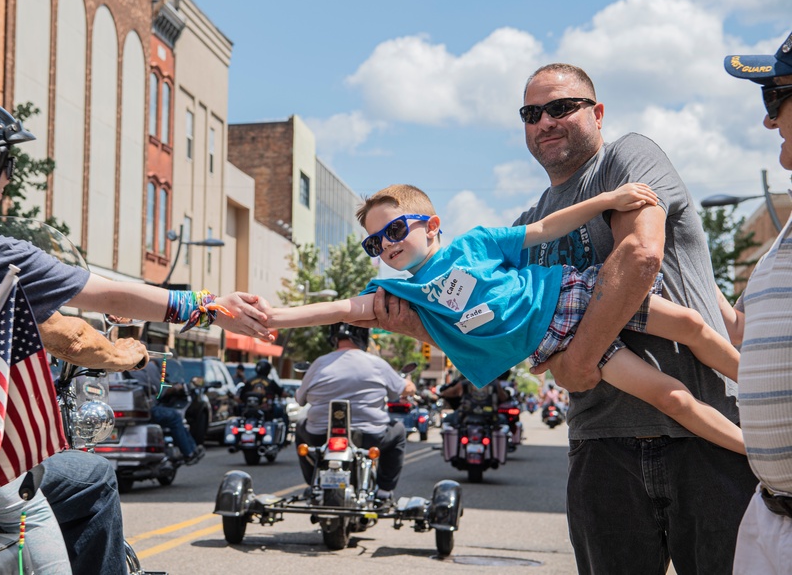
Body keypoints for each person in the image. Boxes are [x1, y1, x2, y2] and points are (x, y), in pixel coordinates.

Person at [370, 64, 757, 573]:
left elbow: (640, 254)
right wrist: (410, 320)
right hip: (601, 448)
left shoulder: (626, 158)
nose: (545, 121)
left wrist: (579, 359)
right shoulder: (526, 227)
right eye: (532, 113)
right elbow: (491, 322)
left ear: (597, 113)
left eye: (560, 107)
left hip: (705, 440)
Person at [0, 94, 272, 571]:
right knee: (79, 485)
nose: (9, 176)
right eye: (6, 164)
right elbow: (113, 297)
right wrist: (206, 305)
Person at [264, 182, 745, 454]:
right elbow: (342, 308)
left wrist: (607, 200)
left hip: (579, 296)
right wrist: (274, 317)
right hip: (555, 346)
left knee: (694, 326)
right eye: (375, 243)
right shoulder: (403, 291)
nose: (386, 245)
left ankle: (767, 390)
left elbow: (543, 228)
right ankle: (759, 454)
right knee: (672, 398)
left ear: (431, 226)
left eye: (393, 229)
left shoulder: (475, 243)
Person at [721, 31, 792, 574]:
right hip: (770, 512)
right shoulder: (782, 237)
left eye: (775, 97)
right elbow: (745, 333)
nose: (769, 121)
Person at [294, 323, 415, 502]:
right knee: (398, 431)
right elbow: (405, 389)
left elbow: (299, 399)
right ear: (364, 337)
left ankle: (313, 484)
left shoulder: (319, 363)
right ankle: (384, 491)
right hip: (369, 435)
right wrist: (409, 385)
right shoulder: (377, 364)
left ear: (334, 338)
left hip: (320, 435)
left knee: (300, 425)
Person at [126, 361, 205, 465]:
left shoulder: (122, 365)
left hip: (126, 412)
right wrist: (176, 388)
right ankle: (189, 452)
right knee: (175, 417)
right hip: (147, 410)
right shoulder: (147, 365)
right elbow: (161, 390)